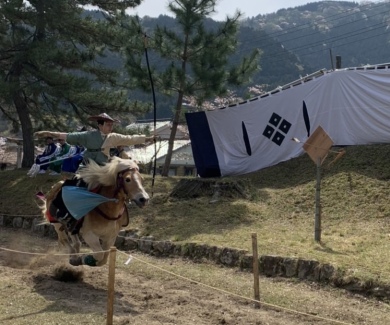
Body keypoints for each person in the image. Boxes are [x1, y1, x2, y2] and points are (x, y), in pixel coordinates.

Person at [34, 112, 155, 232]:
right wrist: (50, 133)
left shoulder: (113, 137)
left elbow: (130, 139)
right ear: (100, 125)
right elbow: (70, 135)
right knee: (69, 187)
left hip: (104, 170)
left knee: (120, 188)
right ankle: (65, 215)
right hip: (87, 170)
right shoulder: (88, 136)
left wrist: (148, 138)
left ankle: (119, 216)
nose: (110, 127)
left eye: (111, 125)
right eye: (108, 125)